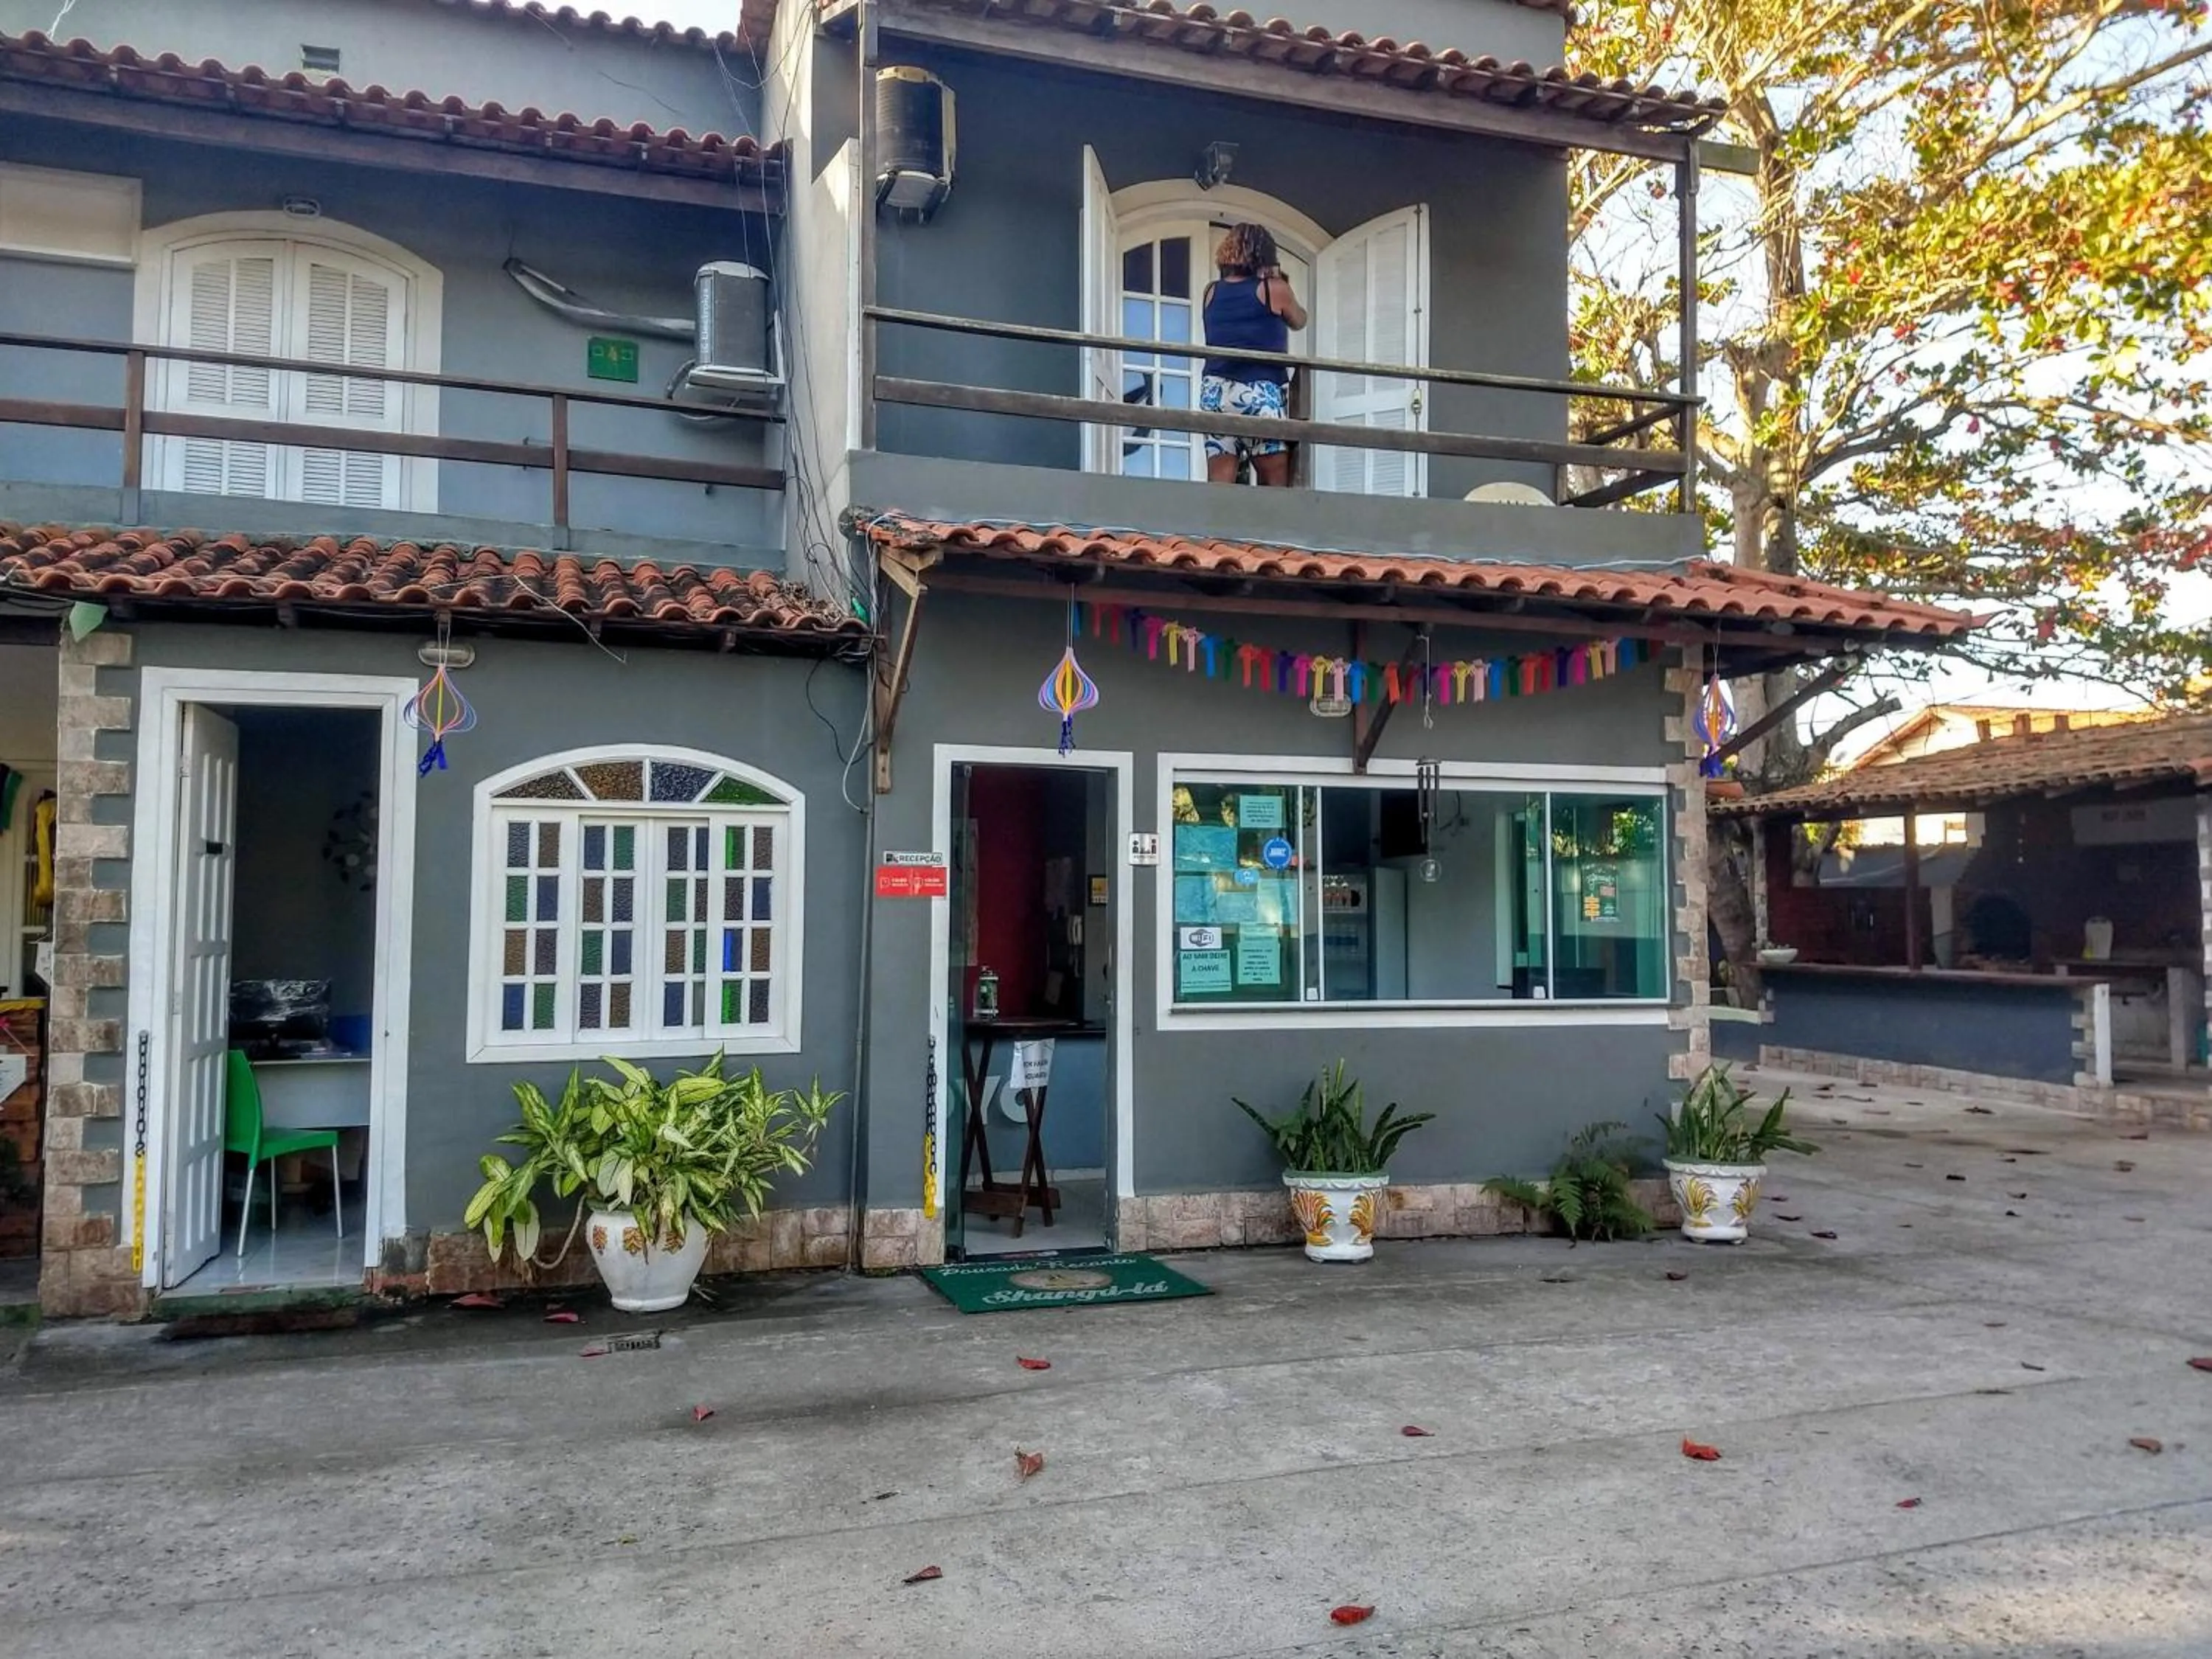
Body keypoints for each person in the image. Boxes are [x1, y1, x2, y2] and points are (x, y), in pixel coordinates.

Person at [1200, 223, 1307, 486]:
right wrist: (1278, 278)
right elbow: (1299, 320)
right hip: (1259, 390)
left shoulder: (1211, 291)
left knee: (1220, 484)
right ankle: (1271, 528)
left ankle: (1215, 529)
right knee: (1274, 483)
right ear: (1265, 255)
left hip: (1215, 390)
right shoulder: (1273, 288)